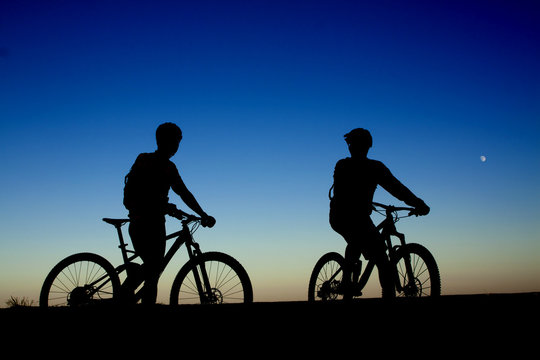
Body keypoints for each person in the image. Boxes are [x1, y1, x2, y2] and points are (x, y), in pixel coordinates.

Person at [329, 128, 429, 299]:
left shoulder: (375, 167)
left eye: (355, 144)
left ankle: (376, 290)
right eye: (352, 144)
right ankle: (347, 280)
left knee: (377, 255)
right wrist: (418, 204)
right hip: (342, 215)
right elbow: (343, 193)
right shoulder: (344, 165)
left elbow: (397, 188)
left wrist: (418, 203)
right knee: (374, 252)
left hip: (359, 217)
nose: (353, 147)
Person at [123, 122, 216, 305]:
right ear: (163, 141)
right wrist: (165, 206)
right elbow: (142, 193)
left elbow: (183, 193)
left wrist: (202, 213)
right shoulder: (147, 161)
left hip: (156, 223)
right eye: (175, 141)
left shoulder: (169, 167)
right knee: (154, 267)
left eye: (178, 142)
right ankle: (123, 294)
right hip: (142, 222)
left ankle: (137, 300)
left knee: (154, 273)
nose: (176, 146)